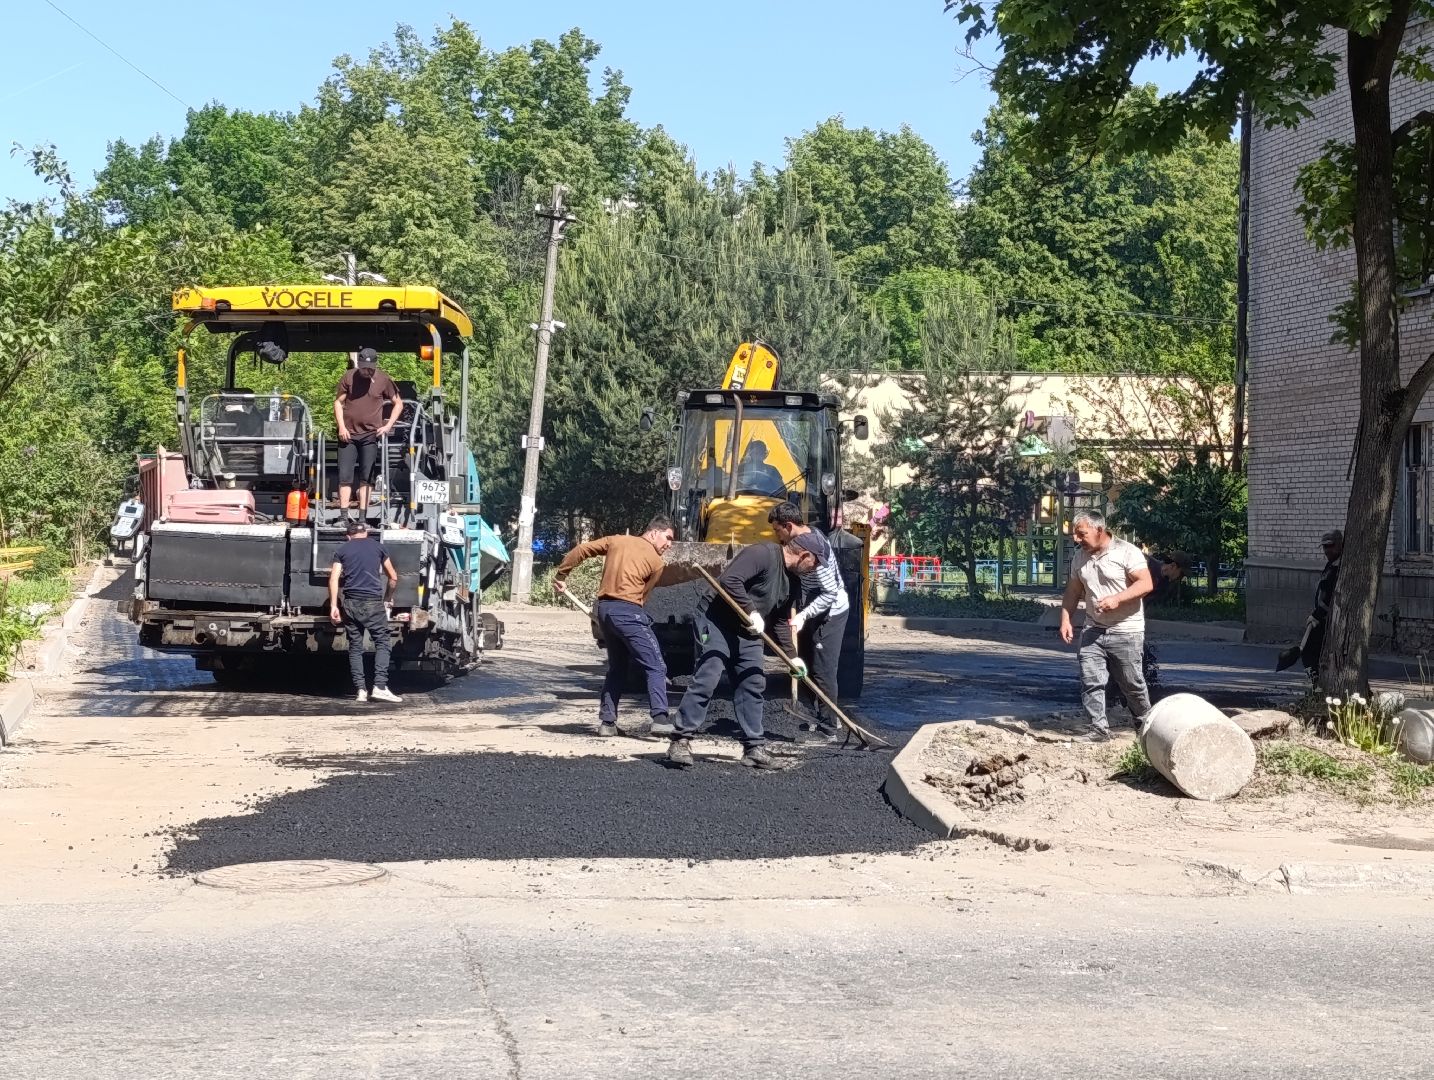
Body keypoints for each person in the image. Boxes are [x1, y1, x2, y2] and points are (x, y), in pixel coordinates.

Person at [667, 539, 818, 770]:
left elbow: (779, 621)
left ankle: (753, 749)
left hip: (747, 631)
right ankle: (680, 740)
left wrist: (792, 656)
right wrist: (752, 611)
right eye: (815, 563)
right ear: (804, 555)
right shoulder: (762, 554)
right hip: (715, 621)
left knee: (753, 680)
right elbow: (730, 580)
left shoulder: (793, 582)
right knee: (709, 673)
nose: (815, 569)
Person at [554, 515, 694, 737]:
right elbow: (642, 598)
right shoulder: (657, 562)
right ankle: (660, 719)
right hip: (629, 612)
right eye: (668, 537)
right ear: (654, 533)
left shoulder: (616, 540)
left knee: (617, 668)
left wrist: (562, 575)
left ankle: (607, 723)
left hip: (605, 611)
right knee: (656, 666)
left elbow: (581, 550)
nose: (669, 544)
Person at [1059, 510, 1154, 741]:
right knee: (1091, 681)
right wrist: (1065, 618)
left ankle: (1147, 730)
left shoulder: (1126, 552)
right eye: (1075, 534)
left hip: (1126, 630)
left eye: (1082, 534)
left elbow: (1146, 583)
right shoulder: (1080, 557)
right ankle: (1098, 730)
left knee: (1132, 684)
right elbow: (1073, 590)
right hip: (1093, 629)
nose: (1077, 539)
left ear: (1099, 530)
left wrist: (1117, 599)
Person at [767, 501, 850, 744]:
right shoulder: (800, 540)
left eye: (778, 530)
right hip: (811, 605)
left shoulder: (815, 548)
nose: (777, 536)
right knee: (807, 664)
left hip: (831, 611)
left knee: (823, 670)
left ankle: (829, 729)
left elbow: (830, 593)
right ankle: (820, 716)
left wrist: (803, 615)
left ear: (788, 526)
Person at [329, 518, 401, 704]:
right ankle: (380, 687)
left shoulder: (342, 550)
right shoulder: (378, 547)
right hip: (372, 603)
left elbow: (334, 579)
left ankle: (361, 690)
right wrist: (387, 598)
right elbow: (393, 577)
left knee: (355, 646)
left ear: (348, 536)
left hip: (350, 603)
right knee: (383, 642)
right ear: (367, 533)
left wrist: (334, 605)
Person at [334, 347, 400, 521]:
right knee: (345, 476)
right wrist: (341, 427)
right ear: (359, 365)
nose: (366, 371)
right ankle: (343, 517)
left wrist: (388, 426)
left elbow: (398, 403)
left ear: (375, 365)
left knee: (366, 478)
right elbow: (338, 402)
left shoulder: (383, 379)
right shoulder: (348, 377)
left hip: (370, 435)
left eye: (370, 368)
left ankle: (363, 518)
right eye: (364, 368)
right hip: (348, 435)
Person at [1277, 529, 1343, 682]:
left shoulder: (1338, 568)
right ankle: (1316, 682)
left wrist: (1317, 615)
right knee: (1313, 651)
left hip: (1329, 619)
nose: (1327, 550)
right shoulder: (1331, 565)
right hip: (1322, 617)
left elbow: (1330, 597)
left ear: (1339, 544)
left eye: (1330, 546)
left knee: (1309, 651)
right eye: (1324, 547)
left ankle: (1316, 682)